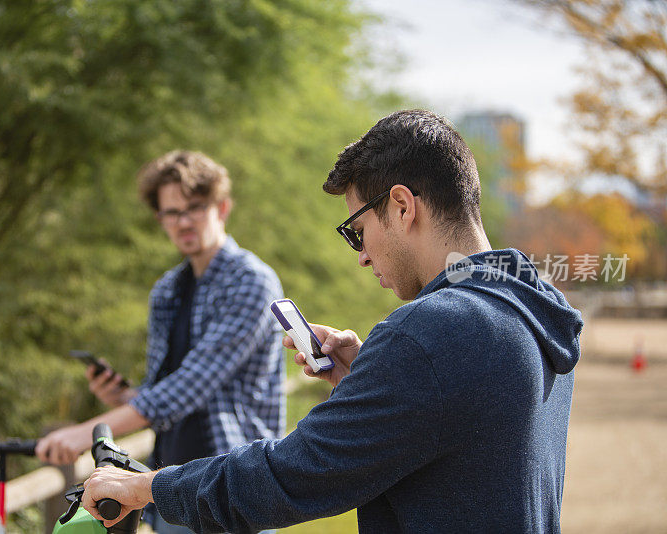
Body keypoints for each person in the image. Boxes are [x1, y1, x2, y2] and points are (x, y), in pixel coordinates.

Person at [78, 110, 583, 533]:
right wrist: (369, 377)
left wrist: (147, 487)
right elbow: (468, 434)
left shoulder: (427, 335)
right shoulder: (529, 305)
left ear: (402, 206)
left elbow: (295, 473)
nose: (361, 257)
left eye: (356, 230)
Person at [35, 150, 285, 534]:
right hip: (167, 485)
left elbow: (189, 387)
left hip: (232, 484)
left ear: (222, 208)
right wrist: (123, 398)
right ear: (160, 219)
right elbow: (162, 394)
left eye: (195, 208)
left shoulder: (251, 281)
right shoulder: (167, 290)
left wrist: (89, 429)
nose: (183, 221)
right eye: (172, 212)